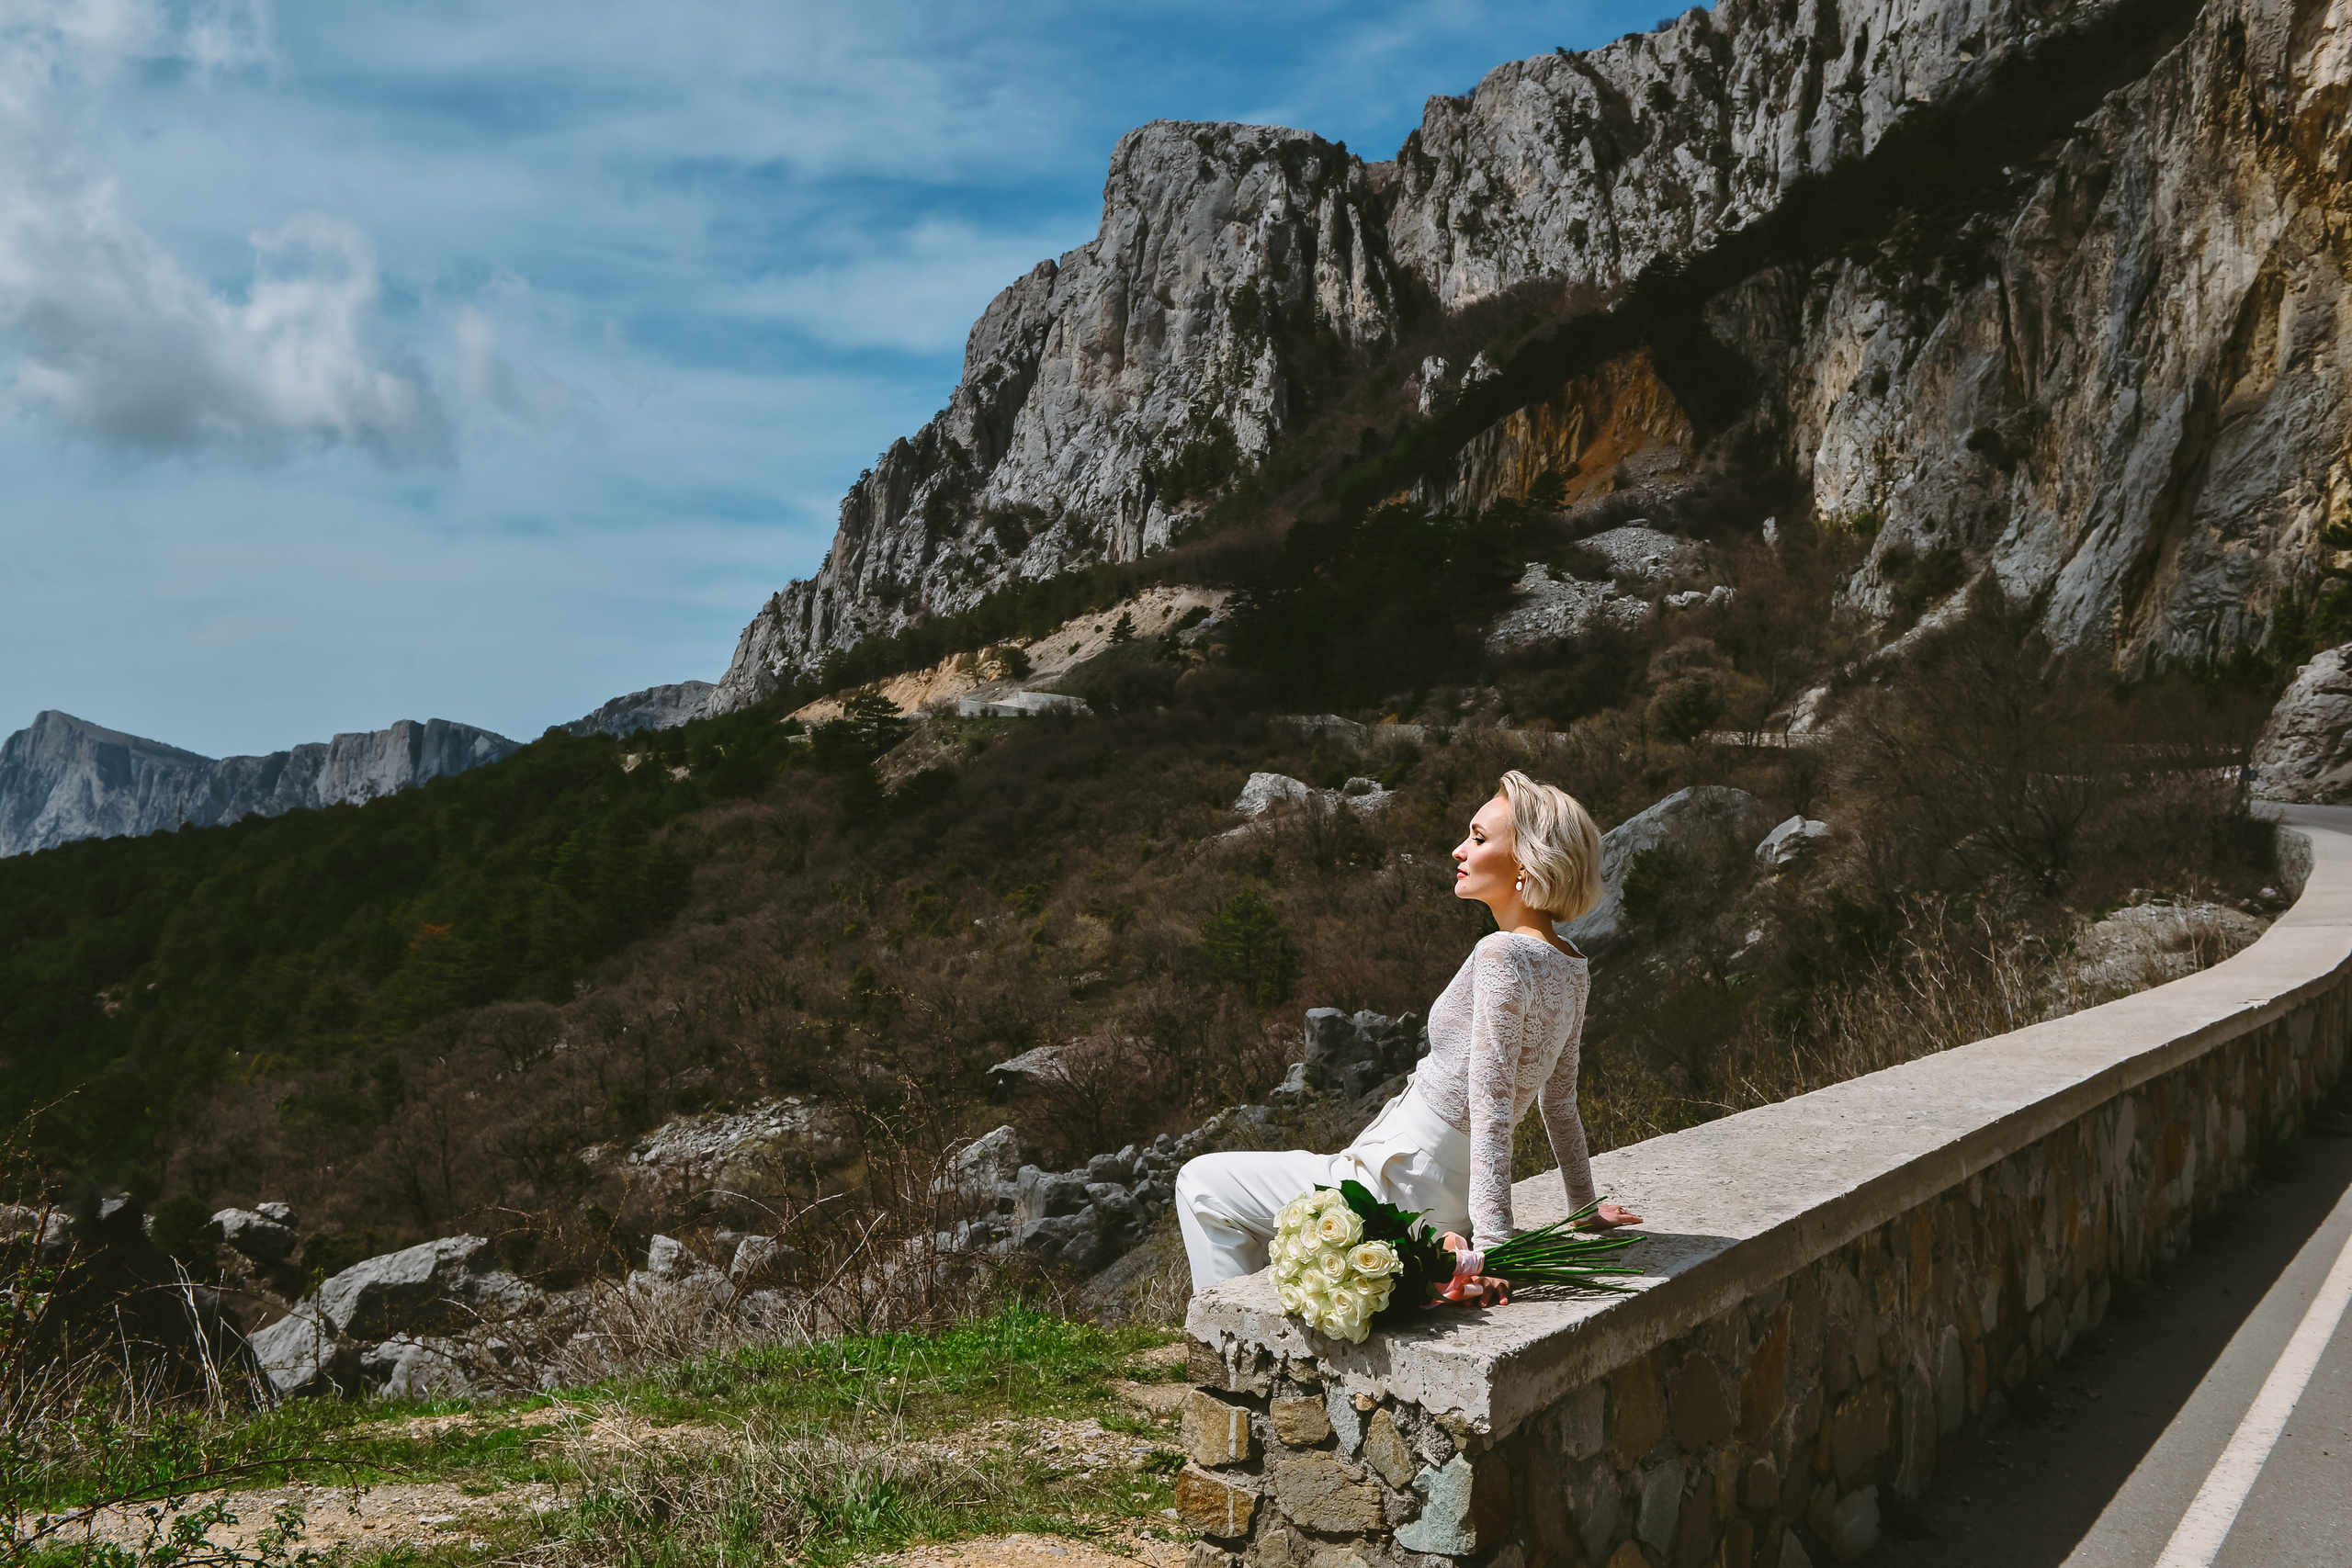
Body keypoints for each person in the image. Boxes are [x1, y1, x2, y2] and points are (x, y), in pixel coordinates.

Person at [1174, 769, 1643, 1305]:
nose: (1458, 850)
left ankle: (1224, 1321)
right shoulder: (1571, 965)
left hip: (1397, 1181)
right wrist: (1582, 1207)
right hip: (1443, 1194)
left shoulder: (1501, 953)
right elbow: (1558, 1101)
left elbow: (1490, 1102)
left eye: (1479, 839)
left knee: (1200, 1183)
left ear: (1526, 863)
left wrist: (1493, 1248)